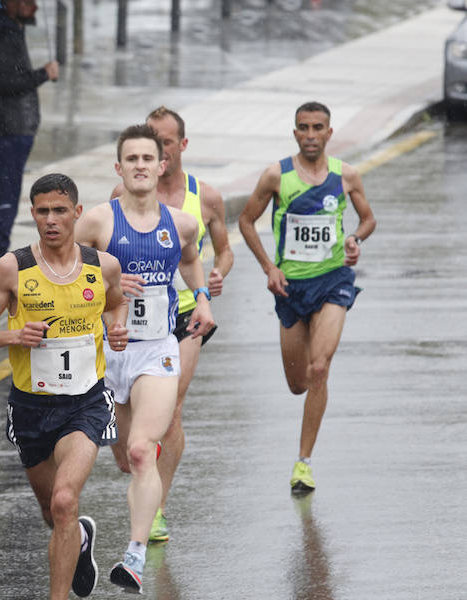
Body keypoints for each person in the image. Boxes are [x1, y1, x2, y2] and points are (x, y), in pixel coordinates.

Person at [0, 173, 128, 600]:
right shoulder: (13, 268)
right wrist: (14, 336)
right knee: (50, 510)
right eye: (43, 211)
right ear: (33, 214)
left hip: (86, 402)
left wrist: (117, 328)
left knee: (62, 501)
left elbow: (115, 303)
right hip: (31, 408)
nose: (51, 220)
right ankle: (77, 539)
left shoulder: (101, 266)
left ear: (77, 212)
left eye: (60, 211)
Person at [76, 124, 214, 593]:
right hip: (106, 351)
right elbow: (65, 272)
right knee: (123, 460)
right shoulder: (97, 222)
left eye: (146, 159)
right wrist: (108, 286)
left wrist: (202, 298)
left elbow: (192, 259)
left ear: (161, 166)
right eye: (130, 159)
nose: (139, 166)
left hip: (157, 348)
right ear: (119, 168)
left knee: (141, 450)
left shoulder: (181, 223)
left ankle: (134, 555)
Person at [238, 101, 376, 494]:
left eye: (318, 128)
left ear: (330, 132)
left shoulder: (345, 175)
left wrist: (354, 238)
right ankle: (304, 451)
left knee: (320, 367)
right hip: (291, 287)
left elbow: (368, 218)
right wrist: (269, 267)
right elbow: (246, 220)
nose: (311, 135)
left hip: (333, 280)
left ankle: (303, 463)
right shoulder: (276, 176)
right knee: (298, 382)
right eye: (304, 128)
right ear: (295, 132)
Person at [109, 107, 234, 542]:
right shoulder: (119, 195)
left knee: (173, 406)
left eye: (164, 143)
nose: (155, 151)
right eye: (149, 143)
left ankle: (157, 505)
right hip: (131, 317)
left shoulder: (206, 198)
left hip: (182, 316)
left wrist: (213, 280)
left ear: (179, 147)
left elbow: (222, 251)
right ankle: (138, 466)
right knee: (126, 450)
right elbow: (102, 255)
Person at [0, 0, 59, 277]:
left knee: (3, 187)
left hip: (15, 124)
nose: (34, 7)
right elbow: (7, 82)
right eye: (28, 2)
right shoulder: (1, 32)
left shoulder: (8, 28)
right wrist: (44, 73)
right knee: (6, 189)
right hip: (11, 125)